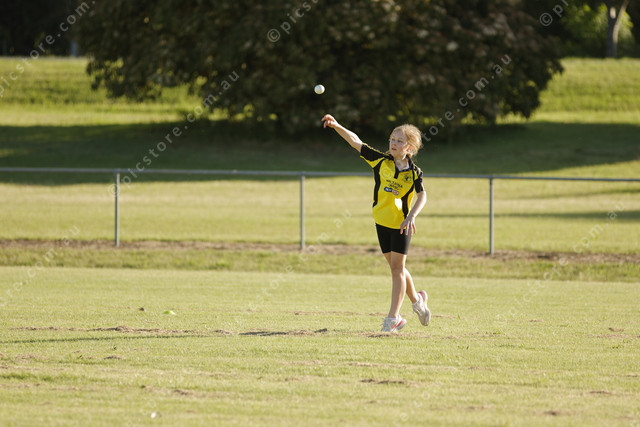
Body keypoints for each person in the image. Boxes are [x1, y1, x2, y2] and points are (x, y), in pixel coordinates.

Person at [321, 114, 431, 332]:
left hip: (402, 225)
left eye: (399, 141)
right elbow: (356, 142)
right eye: (392, 139)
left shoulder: (414, 173)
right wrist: (337, 126)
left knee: (397, 269)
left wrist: (411, 216)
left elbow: (422, 195)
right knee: (397, 268)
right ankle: (418, 301)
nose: (393, 143)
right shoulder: (380, 161)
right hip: (381, 221)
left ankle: (393, 318)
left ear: (409, 148)